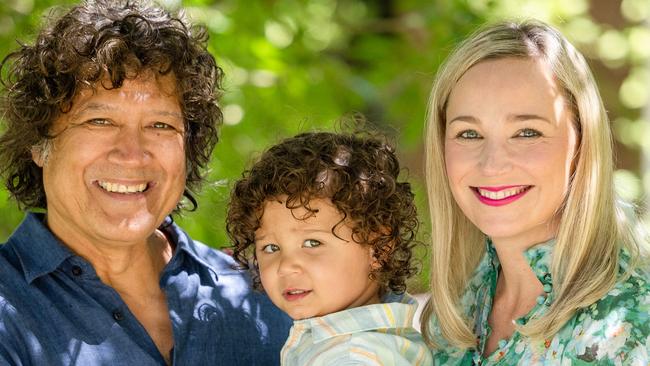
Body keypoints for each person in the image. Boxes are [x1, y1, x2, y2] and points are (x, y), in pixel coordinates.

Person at [0, 0, 290, 364]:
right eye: (100, 121)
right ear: (39, 145)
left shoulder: (266, 297)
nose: (132, 154)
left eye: (160, 125)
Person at [420, 19, 650, 365]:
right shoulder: (458, 307)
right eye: (469, 133)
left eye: (527, 132)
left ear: (582, 142)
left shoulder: (629, 323)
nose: (492, 164)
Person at [226, 131, 432, 365]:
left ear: (379, 248)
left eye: (312, 243)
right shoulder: (361, 343)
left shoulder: (352, 357)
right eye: (271, 247)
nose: (285, 267)